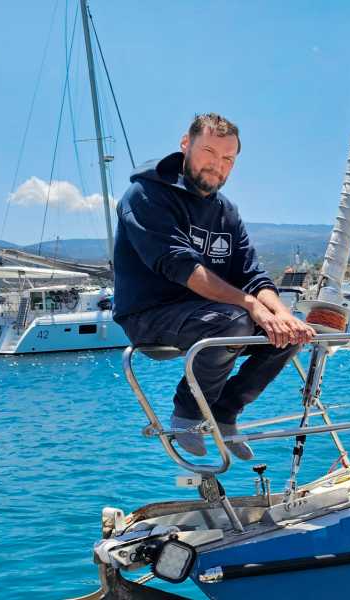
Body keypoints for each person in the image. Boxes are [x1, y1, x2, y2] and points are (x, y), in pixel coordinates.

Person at [112, 113, 314, 460]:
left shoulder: (225, 211)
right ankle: (187, 413)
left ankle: (224, 412)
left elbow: (253, 275)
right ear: (185, 145)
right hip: (150, 314)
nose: (217, 165)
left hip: (209, 311)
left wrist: (284, 314)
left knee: (289, 332)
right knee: (235, 319)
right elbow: (181, 267)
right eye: (208, 151)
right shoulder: (146, 195)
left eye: (227, 159)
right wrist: (252, 306)